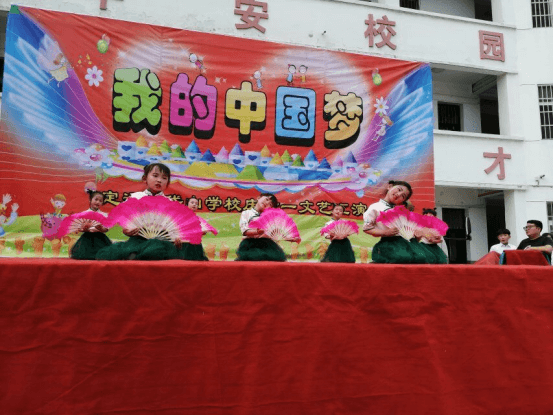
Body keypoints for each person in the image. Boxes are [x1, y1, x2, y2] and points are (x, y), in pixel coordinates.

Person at [96, 163, 182, 260]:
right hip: (138, 240)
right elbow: (124, 218)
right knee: (109, 253)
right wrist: (126, 231)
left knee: (157, 248)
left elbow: (174, 227)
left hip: (161, 241)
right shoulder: (135, 197)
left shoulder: (170, 203)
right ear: (145, 179)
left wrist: (176, 239)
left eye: (164, 178)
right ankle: (136, 253)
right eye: (155, 176)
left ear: (167, 183)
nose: (159, 180)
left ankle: (135, 254)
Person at [363, 180, 427, 264]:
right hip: (389, 243)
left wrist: (417, 237)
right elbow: (367, 229)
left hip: (406, 243)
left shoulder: (402, 211)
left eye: (403, 196)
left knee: (421, 258)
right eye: (399, 189)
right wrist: (385, 232)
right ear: (390, 186)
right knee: (402, 258)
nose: (399, 194)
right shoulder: (375, 207)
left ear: (403, 201)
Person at [236, 193, 286, 261]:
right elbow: (244, 231)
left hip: (266, 244)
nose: (267, 203)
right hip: (249, 243)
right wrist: (257, 232)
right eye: (267, 199)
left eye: (270, 204)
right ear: (259, 197)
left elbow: (272, 233)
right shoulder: (246, 213)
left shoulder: (270, 218)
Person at [70, 190, 112, 260]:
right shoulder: (84, 214)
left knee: (103, 255)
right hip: (86, 238)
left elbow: (106, 229)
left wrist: (101, 228)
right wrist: (84, 228)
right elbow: (79, 228)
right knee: (84, 255)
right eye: (96, 199)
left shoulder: (104, 215)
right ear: (90, 200)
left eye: (100, 201)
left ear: (102, 203)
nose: (98, 202)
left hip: (100, 238)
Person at [177, 196, 208, 261]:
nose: (194, 205)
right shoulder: (181, 216)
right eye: (192, 202)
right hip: (184, 244)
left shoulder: (199, 219)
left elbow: (202, 231)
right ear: (187, 204)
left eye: (196, 204)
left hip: (196, 245)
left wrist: (203, 232)